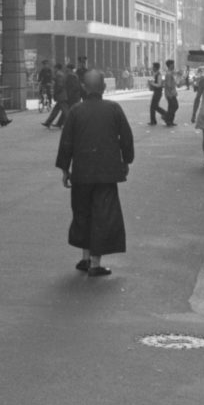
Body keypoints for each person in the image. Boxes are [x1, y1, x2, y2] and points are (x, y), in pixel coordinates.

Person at [56, 70, 134, 278]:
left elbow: (66, 142)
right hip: (106, 173)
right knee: (103, 215)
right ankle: (95, 263)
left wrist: (65, 169)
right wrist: (126, 161)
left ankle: (85, 257)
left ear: (84, 87)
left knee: (83, 213)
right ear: (104, 88)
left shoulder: (75, 111)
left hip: (81, 172)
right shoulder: (114, 109)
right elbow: (126, 138)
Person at [42, 63, 69, 129]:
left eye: (55, 68)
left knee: (65, 111)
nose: (54, 69)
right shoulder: (61, 74)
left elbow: (59, 85)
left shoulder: (59, 75)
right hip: (61, 95)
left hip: (60, 95)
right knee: (56, 110)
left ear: (57, 68)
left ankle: (71, 123)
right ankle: (48, 122)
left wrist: (55, 93)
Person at [163, 59, 179, 126]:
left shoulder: (170, 73)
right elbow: (169, 85)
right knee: (175, 106)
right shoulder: (169, 74)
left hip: (170, 93)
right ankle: (167, 118)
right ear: (170, 65)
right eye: (173, 64)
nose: (174, 66)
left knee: (171, 107)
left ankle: (169, 121)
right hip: (170, 94)